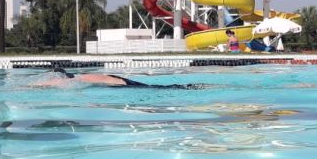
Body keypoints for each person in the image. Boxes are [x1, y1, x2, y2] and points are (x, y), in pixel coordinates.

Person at [38, 67, 201, 89]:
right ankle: (189, 87)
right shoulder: (83, 77)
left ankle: (190, 87)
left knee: (164, 89)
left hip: (120, 82)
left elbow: (54, 82)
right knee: (163, 88)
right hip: (119, 81)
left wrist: (34, 87)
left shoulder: (80, 79)